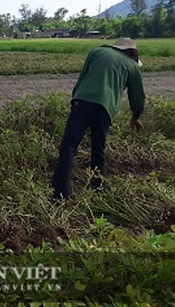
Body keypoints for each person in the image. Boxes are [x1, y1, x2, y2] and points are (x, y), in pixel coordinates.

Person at [51, 38, 145, 202]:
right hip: (105, 110)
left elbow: (82, 79)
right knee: (98, 150)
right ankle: (98, 189)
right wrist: (135, 117)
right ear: (132, 53)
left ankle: (60, 195)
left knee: (68, 147)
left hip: (82, 103)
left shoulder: (97, 52)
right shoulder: (132, 67)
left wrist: (76, 101)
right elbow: (137, 98)